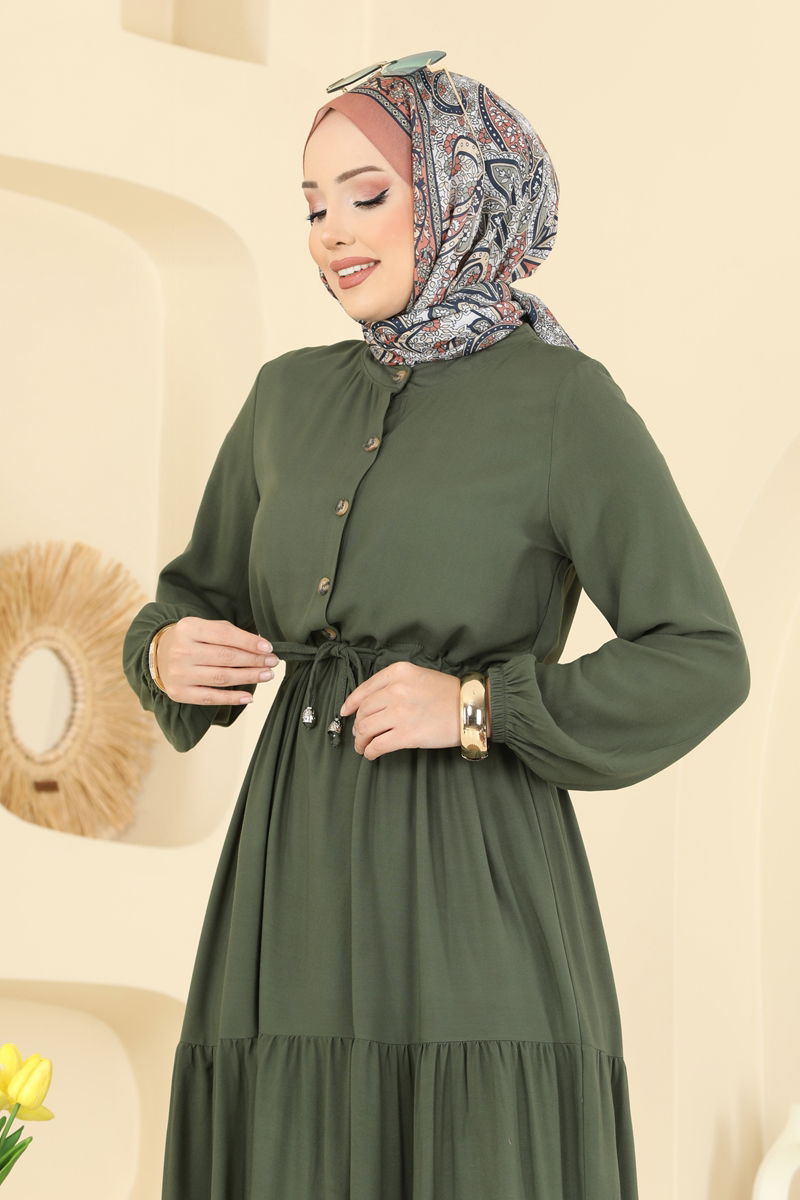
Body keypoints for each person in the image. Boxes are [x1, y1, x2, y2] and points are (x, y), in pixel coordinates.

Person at [123, 54, 751, 1200]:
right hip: (290, 882)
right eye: (311, 206)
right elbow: (197, 597)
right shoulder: (282, 398)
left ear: (461, 193)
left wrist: (473, 705)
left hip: (472, 881)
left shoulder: (561, 402)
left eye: (365, 194)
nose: (330, 232)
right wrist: (165, 649)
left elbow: (699, 655)